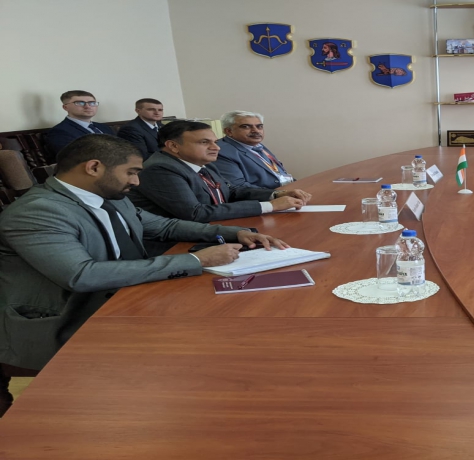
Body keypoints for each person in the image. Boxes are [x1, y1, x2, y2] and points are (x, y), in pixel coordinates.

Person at [0, 134, 289, 373]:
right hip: (69, 320)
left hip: (126, 299)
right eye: (132, 172)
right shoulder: (38, 212)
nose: (137, 182)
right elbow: (82, 275)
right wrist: (197, 260)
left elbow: (164, 226)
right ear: (94, 167)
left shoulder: (109, 195)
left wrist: (234, 232)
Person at [128, 121, 310, 252]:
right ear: (173, 146)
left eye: (214, 141)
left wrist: (275, 195)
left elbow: (231, 191)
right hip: (176, 245)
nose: (216, 147)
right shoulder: (160, 169)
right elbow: (195, 213)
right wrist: (270, 206)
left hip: (217, 229)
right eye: (204, 142)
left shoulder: (201, 162)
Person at [212, 111, 294, 189]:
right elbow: (238, 187)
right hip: (266, 196)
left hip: (285, 190)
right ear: (229, 131)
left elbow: (278, 174)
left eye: (259, 126)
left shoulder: (255, 144)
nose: (256, 131)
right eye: (246, 126)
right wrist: (277, 194)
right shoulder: (221, 151)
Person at [44, 90, 116, 155]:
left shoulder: (103, 127)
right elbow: (73, 158)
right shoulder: (59, 132)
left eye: (92, 103)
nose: (88, 106)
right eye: (80, 103)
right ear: (65, 107)